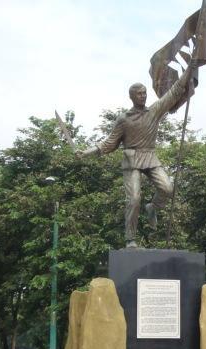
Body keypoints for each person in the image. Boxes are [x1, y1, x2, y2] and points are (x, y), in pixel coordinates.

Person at [77, 66, 193, 248]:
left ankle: (153, 207)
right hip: (132, 160)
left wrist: (190, 68)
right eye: (139, 94)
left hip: (150, 157)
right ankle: (130, 239)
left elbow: (175, 90)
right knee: (134, 200)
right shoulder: (124, 119)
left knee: (168, 189)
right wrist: (86, 153)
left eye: (145, 93)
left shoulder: (154, 111)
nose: (143, 96)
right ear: (131, 97)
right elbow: (109, 143)